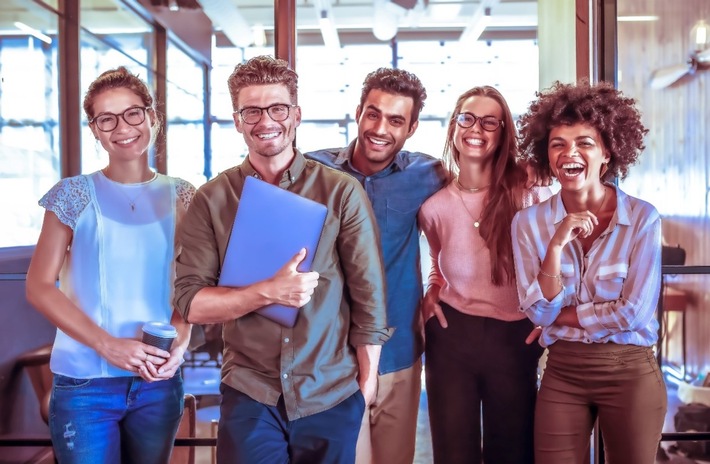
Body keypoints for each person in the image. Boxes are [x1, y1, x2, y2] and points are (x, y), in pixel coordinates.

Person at [172, 55, 391, 464]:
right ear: (237, 120)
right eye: (251, 110)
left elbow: (369, 297)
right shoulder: (213, 199)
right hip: (250, 391)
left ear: (296, 115)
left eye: (277, 108)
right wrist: (266, 293)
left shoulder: (340, 192)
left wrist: (366, 386)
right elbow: (191, 303)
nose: (265, 121)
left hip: (330, 390)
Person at [25, 66, 194, 463]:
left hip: (157, 383)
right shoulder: (72, 194)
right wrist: (108, 346)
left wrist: (181, 341)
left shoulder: (183, 196)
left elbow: (193, 284)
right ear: (95, 129)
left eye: (133, 113)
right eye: (107, 118)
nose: (123, 127)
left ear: (152, 117)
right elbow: (38, 286)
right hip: (85, 384)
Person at [512, 80, 667, 464]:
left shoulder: (642, 218)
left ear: (607, 152)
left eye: (584, 142)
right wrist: (557, 243)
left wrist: (559, 315)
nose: (570, 153)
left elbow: (633, 312)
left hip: (630, 369)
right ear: (547, 155)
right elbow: (534, 312)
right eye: (558, 144)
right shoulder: (528, 224)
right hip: (562, 371)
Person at [306, 67, 446, 464]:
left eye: (396, 119)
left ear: (412, 128)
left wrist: (440, 283)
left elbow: (473, 209)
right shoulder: (314, 171)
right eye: (373, 113)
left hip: (398, 351)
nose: (380, 128)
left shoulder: (429, 175)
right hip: (330, 356)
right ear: (358, 112)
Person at [418, 85, 548, 464]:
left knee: (512, 451)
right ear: (454, 127)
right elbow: (437, 260)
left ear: (503, 132)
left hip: (515, 335)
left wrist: (551, 316)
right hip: (452, 334)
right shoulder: (434, 206)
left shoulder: (528, 188)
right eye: (468, 118)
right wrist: (431, 290)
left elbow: (556, 256)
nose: (477, 128)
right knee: (452, 451)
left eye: (490, 122)